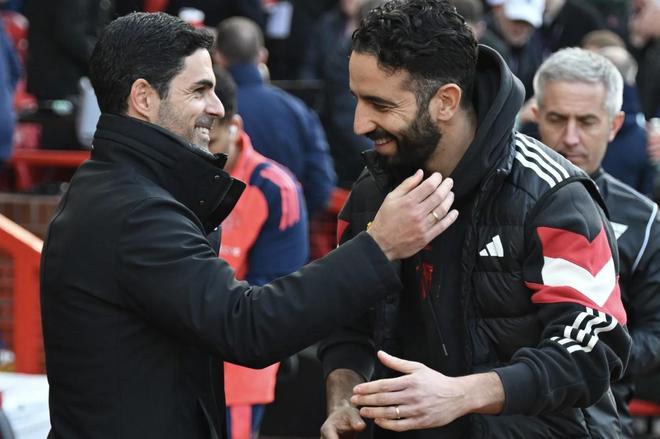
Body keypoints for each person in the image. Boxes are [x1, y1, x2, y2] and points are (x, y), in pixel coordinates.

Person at [39, 12, 459, 439]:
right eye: (200, 90)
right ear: (144, 98)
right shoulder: (134, 212)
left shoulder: (116, 191)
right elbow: (247, 325)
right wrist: (379, 245)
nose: (217, 106)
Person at [318, 1, 631, 437]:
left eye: (380, 104)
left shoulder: (553, 194)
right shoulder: (373, 190)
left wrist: (462, 394)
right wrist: (344, 398)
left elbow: (594, 348)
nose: (359, 123)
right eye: (356, 99)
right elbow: (345, 321)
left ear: (446, 102)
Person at [531, 47, 660, 438]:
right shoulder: (495, 198)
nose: (570, 138)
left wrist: (588, 357)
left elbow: (656, 331)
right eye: (557, 119)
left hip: (599, 415)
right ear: (536, 115)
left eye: (586, 121)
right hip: (496, 410)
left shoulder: (644, 219)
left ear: (614, 124)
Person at [208, 68, 309, 439]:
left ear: (235, 127)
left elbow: (276, 293)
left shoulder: (276, 189)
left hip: (238, 370)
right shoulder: (178, 176)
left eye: (212, 141)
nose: (203, 153)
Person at [214, 16, 336, 216]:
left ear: (218, 57)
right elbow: (321, 183)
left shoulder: (212, 111)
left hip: (224, 227)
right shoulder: (297, 110)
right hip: (289, 222)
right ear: (262, 56)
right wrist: (293, 216)